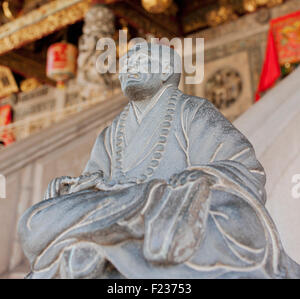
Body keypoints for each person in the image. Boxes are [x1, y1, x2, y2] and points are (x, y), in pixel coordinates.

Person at [18, 42, 300, 279]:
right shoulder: (111, 132)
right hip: (118, 206)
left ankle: (106, 243)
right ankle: (103, 241)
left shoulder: (192, 111)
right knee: (34, 220)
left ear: (166, 70)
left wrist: (196, 179)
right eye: (125, 64)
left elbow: (246, 169)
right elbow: (95, 184)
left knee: (157, 210)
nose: (127, 68)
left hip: (162, 203)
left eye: (139, 60)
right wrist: (72, 189)